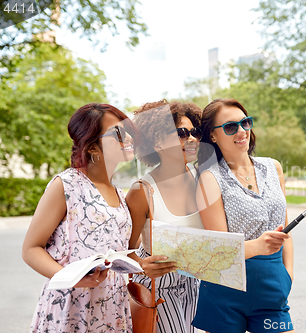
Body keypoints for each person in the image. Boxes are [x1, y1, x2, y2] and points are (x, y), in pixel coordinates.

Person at [22, 103, 138, 332]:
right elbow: (31, 249)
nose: (128, 137)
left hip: (112, 306)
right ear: (93, 147)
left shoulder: (117, 190)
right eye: (118, 132)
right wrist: (71, 277)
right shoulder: (66, 184)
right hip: (72, 306)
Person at [192, 98, 294, 333]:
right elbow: (219, 248)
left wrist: (287, 275)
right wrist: (258, 246)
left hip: (273, 285)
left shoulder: (273, 168)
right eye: (230, 127)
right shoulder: (209, 178)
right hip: (226, 290)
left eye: (245, 123)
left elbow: (286, 229)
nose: (241, 131)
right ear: (213, 137)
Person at [126, 100, 204, 333]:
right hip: (158, 287)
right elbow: (125, 249)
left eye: (195, 132)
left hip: (197, 283)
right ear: (157, 142)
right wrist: (141, 265)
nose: (192, 139)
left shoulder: (204, 178)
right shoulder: (141, 191)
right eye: (181, 133)